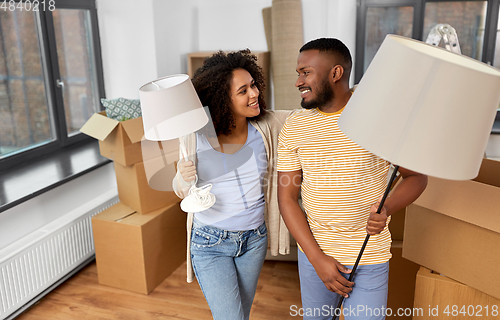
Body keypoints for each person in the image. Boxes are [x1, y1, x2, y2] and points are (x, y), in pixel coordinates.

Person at [277, 38, 428, 320]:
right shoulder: (295, 126)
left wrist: (387, 208)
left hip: (369, 257)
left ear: (336, 73)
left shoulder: (377, 119)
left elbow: (416, 177)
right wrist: (316, 259)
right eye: (298, 73)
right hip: (315, 256)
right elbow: (286, 198)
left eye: (305, 72)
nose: (298, 81)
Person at [172, 49, 294, 320]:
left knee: (241, 314)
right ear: (221, 100)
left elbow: (309, 117)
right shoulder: (195, 137)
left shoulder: (267, 125)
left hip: (254, 240)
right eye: (243, 91)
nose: (254, 94)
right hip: (210, 242)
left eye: (253, 85)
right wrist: (182, 175)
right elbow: (180, 189)